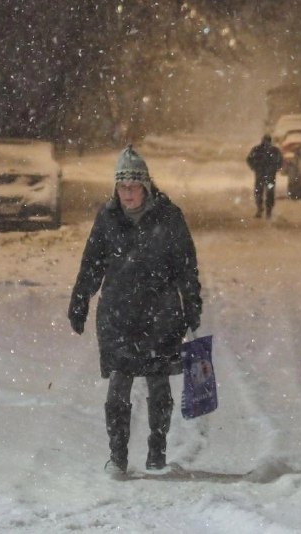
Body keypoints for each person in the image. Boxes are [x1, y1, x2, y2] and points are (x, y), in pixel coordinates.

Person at [68, 145, 202, 475]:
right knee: (118, 388)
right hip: (118, 315)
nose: (127, 194)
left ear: (146, 186)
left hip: (161, 315)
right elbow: (91, 265)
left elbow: (187, 267)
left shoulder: (170, 217)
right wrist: (80, 301)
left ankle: (157, 451)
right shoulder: (107, 218)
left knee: (158, 387)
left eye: (133, 187)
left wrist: (192, 305)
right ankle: (118, 457)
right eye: (122, 187)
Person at [246, 134, 282, 219]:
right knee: (265, 192)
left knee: (263, 192)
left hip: (263, 175)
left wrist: (254, 167)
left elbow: (249, 159)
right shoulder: (273, 150)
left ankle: (263, 209)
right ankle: (263, 209)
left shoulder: (258, 149)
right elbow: (280, 161)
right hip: (266, 175)